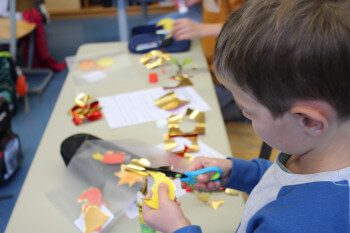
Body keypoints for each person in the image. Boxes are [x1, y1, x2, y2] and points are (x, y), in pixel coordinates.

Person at [142, 0, 350, 232]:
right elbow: (285, 182)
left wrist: (177, 228)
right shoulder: (319, 148)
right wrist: (238, 173)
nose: (245, 114)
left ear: (309, 121)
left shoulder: (292, 225)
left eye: (249, 112)